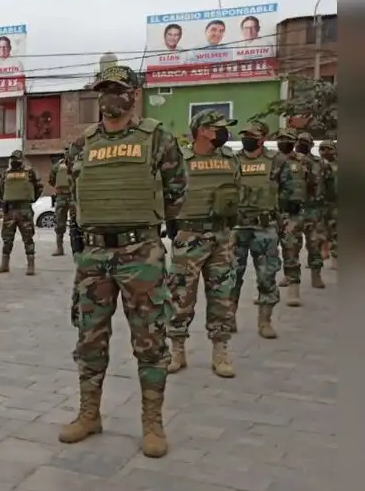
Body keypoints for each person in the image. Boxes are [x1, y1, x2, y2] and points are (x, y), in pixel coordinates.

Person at [61, 65, 186, 458]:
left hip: (140, 252)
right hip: (94, 254)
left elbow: (177, 190)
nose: (109, 96)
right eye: (104, 90)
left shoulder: (157, 138)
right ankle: (89, 413)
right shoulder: (82, 143)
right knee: (89, 338)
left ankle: (152, 423)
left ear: (133, 94)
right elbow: (76, 189)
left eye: (117, 89)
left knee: (150, 340)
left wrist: (148, 225)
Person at [166, 111, 240, 378]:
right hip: (189, 237)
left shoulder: (231, 160)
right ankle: (177, 349)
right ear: (202, 130)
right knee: (180, 295)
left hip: (221, 237)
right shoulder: (180, 161)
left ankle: (220, 351)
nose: (224, 133)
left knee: (222, 296)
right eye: (218, 128)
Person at [227, 120, 282, 339]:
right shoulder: (233, 161)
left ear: (263, 138)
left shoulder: (275, 161)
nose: (246, 138)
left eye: (252, 135)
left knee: (267, 275)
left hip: (264, 227)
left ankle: (265, 321)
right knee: (232, 275)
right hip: (237, 227)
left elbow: (286, 192)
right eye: (245, 134)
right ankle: (229, 317)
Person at [275, 129, 319, 306]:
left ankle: (293, 289)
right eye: (281, 139)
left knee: (291, 248)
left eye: (288, 140)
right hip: (271, 213)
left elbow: (314, 184)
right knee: (267, 255)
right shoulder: (271, 160)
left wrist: (302, 201)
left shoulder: (303, 162)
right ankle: (266, 291)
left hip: (293, 214)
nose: (284, 142)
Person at [0, 149, 41, 275]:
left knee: (28, 238)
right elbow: (1, 188)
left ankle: (31, 266)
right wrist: (4, 200)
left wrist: (31, 199)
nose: (14, 161)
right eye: (12, 159)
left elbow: (39, 187)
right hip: (9, 210)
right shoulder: (6, 173)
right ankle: (4, 264)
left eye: (16, 159)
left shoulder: (30, 172)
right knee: (7, 238)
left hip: (24, 209)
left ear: (22, 159)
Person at [295, 132, 330, 290]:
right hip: (293, 210)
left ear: (311, 145)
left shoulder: (319, 163)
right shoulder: (287, 161)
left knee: (314, 244)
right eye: (299, 141)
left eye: (304, 142)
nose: (301, 144)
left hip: (313, 209)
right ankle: (291, 277)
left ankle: (316, 274)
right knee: (291, 246)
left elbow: (329, 185)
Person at [48, 155, 75, 256]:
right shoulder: (57, 166)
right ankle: (60, 248)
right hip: (61, 196)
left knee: (78, 222)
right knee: (59, 222)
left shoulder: (77, 163)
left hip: (73, 195)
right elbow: (51, 180)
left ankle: (79, 247)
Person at [319, 140, 337, 270]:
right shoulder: (316, 165)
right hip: (320, 202)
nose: (326, 152)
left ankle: (336, 257)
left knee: (336, 229)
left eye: (329, 149)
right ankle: (323, 252)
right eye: (323, 149)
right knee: (320, 229)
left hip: (336, 202)